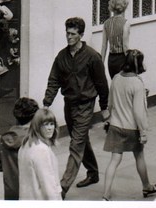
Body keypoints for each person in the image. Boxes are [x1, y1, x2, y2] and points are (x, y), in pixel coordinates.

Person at [43, 16, 109, 196]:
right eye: (67, 33)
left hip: (86, 104)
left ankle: (62, 188)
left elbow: (102, 84)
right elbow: (54, 80)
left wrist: (104, 109)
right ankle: (93, 172)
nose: (69, 36)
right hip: (69, 103)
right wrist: (47, 103)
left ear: (80, 35)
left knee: (76, 143)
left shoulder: (92, 57)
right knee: (80, 138)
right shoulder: (62, 56)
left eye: (73, 34)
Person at [102, 49, 156, 200]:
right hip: (132, 128)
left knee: (114, 161)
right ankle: (146, 186)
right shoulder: (137, 83)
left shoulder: (116, 78)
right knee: (139, 156)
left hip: (115, 125)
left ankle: (106, 195)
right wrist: (143, 132)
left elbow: (110, 104)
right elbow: (138, 112)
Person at [0, 97, 40, 200]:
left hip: (11, 192)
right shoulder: (34, 139)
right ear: (35, 117)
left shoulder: (3, 139)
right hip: (31, 192)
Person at [17, 108, 62, 200]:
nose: (49, 128)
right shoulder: (41, 150)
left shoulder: (25, 144)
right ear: (37, 126)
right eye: (45, 125)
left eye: (51, 124)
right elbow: (48, 183)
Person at [100, 0, 132, 80]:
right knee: (124, 85)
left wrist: (101, 63)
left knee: (115, 83)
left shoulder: (106, 23)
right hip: (122, 58)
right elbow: (125, 46)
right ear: (124, 6)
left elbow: (104, 46)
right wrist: (130, 62)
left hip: (111, 59)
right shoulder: (125, 23)